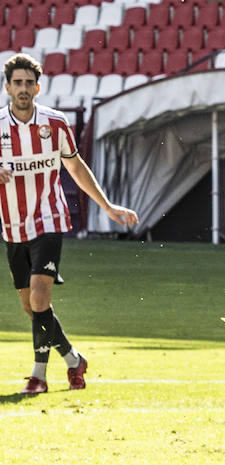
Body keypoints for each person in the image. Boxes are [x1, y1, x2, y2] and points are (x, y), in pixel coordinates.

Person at [1, 54, 138, 395]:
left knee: (39, 296)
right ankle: (74, 358)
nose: (23, 88)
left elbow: (76, 168)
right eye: (17, 82)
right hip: (12, 226)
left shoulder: (55, 123)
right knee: (33, 307)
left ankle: (38, 376)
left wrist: (106, 206)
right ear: (7, 87)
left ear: (38, 86)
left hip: (48, 219)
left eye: (28, 83)